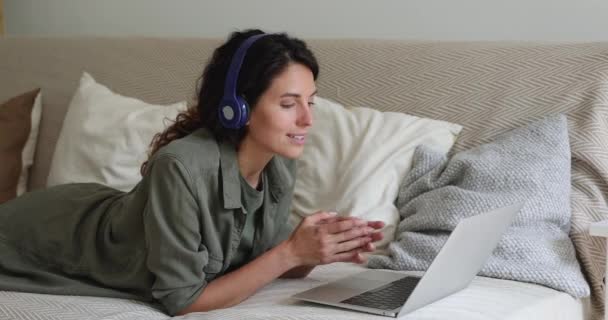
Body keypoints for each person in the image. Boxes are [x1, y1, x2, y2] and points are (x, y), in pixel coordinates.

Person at [0, 29, 384, 316]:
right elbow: (182, 300)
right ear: (239, 107)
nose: (307, 119)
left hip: (90, 211)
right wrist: (289, 254)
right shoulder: (180, 166)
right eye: (288, 104)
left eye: (310, 102)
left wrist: (321, 248)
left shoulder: (279, 165)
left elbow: (264, 257)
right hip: (46, 232)